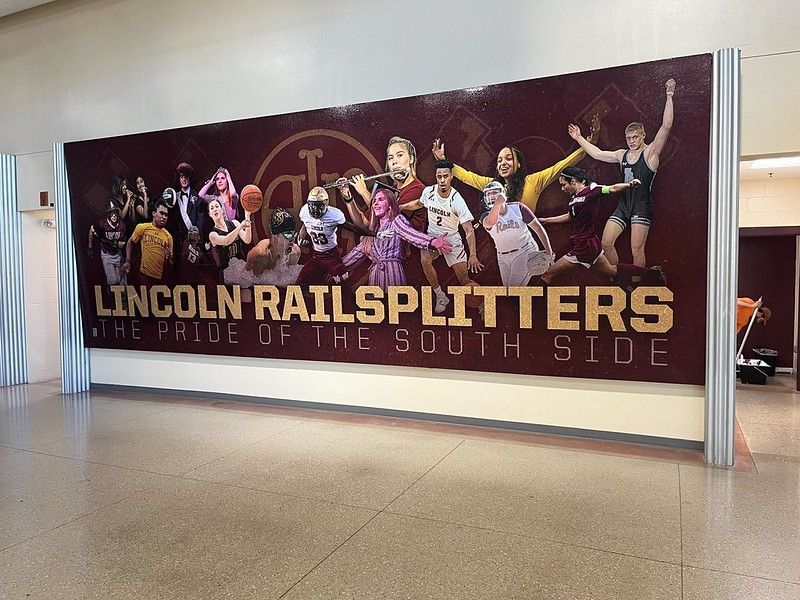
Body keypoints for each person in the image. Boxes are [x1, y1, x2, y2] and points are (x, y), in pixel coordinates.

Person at [567, 78, 676, 268]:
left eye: (635, 137)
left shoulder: (650, 153)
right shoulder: (621, 154)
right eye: (628, 138)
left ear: (643, 136)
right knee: (606, 243)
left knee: (637, 250)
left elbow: (666, 127)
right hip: (624, 206)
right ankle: (617, 276)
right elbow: (597, 153)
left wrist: (669, 96)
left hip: (641, 206)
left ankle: (639, 282)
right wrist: (579, 138)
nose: (631, 141)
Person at [539, 167, 665, 286]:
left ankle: (535, 301)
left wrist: (629, 185)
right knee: (612, 271)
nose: (562, 189)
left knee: (548, 274)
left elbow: (613, 188)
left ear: (573, 181)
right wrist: (546, 220)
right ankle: (652, 274)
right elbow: (570, 216)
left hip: (584, 247)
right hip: (590, 245)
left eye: (563, 185)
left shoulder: (592, 190)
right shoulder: (574, 198)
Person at [398, 160, 481, 312]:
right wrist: (401, 207)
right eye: (439, 176)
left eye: (445, 176)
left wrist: (473, 255)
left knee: (465, 280)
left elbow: (468, 229)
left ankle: (482, 303)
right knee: (425, 259)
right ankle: (440, 295)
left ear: (451, 177)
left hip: (451, 239)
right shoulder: (428, 191)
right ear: (436, 177)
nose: (442, 180)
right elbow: (418, 203)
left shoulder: (457, 200)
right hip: (433, 237)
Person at [432, 134, 587, 213]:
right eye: (499, 160)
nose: (503, 163)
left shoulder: (533, 182)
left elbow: (561, 166)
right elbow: (467, 176)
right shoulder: (492, 186)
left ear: (518, 164)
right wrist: (443, 160)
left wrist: (588, 145)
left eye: (508, 158)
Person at [340, 182, 452, 290]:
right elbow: (357, 252)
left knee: (393, 302)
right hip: (375, 277)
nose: (376, 203)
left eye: (381, 199)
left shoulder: (396, 221)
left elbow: (412, 235)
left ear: (390, 205)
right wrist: (337, 268)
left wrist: (432, 242)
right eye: (374, 201)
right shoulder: (373, 231)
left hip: (392, 273)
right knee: (376, 303)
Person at [479, 181, 554, 287]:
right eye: (489, 194)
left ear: (503, 193)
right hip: (502, 256)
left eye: (495, 192)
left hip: (525, 250)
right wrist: (498, 204)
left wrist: (549, 253)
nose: (492, 196)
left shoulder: (518, 208)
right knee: (509, 291)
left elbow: (538, 228)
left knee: (512, 290)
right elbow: (490, 222)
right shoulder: (485, 216)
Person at [297, 186, 375, 286]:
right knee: (302, 279)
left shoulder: (334, 214)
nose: (315, 209)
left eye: (318, 205)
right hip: (317, 255)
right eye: (312, 205)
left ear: (326, 204)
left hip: (332, 255)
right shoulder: (304, 211)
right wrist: (301, 236)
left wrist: (374, 234)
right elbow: (305, 224)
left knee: (343, 283)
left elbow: (353, 228)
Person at [123, 199, 173, 285]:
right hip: (144, 274)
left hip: (159, 278)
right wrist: (128, 260)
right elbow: (130, 242)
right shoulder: (143, 227)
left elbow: (170, 263)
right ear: (154, 213)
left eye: (166, 215)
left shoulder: (168, 237)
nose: (164, 217)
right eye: (161, 213)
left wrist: (169, 258)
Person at [208, 198, 252, 278]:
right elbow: (226, 240)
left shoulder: (234, 223)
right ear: (210, 214)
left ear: (222, 209)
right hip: (227, 273)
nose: (215, 209)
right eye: (212, 208)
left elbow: (247, 240)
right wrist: (240, 227)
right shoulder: (213, 235)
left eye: (217, 206)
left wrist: (247, 217)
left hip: (241, 266)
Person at [88, 201, 127, 286]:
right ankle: (110, 291)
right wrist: (90, 247)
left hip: (117, 254)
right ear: (108, 214)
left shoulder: (122, 224)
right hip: (107, 254)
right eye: (111, 213)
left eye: (115, 212)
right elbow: (92, 230)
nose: (114, 215)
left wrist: (122, 244)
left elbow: (124, 241)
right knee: (113, 281)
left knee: (122, 282)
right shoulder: (102, 224)